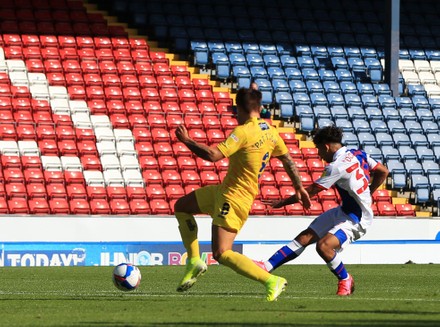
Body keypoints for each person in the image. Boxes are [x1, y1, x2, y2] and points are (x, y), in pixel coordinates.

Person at [174, 87, 311, 301]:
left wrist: (187, 140)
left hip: (234, 197)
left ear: (240, 108)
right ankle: (194, 261)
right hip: (225, 190)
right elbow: (287, 160)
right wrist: (299, 187)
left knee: (221, 253)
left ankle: (271, 281)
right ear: (259, 107)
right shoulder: (271, 131)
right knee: (182, 206)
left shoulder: (243, 131)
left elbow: (213, 155)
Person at [260, 125, 389, 296]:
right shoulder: (358, 154)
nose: (319, 155)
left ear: (326, 146)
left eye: (319, 150)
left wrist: (281, 202)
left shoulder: (335, 166)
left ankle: (345, 279)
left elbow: (311, 191)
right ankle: (265, 268)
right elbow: (383, 171)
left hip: (357, 218)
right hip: (345, 210)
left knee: (324, 246)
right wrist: (370, 192)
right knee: (304, 237)